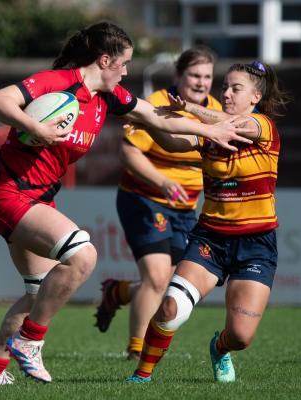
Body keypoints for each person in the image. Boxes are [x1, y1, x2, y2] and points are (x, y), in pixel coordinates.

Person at [0, 21, 252, 385]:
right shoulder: (58, 81)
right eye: (125, 63)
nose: (127, 71)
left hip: (38, 197)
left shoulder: (109, 97)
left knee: (38, 293)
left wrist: (209, 130)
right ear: (105, 61)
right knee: (83, 255)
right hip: (7, 191)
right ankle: (30, 341)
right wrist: (36, 128)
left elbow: (154, 116)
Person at [126, 60, 291, 383]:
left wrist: (187, 108)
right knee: (171, 309)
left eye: (235, 88)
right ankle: (141, 377)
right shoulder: (210, 134)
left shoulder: (264, 127)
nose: (225, 93)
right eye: (225, 87)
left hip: (256, 244)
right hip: (210, 240)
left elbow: (232, 123)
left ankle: (218, 347)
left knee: (241, 337)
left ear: (255, 97)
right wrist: (141, 116)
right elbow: (174, 140)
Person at [94, 46, 222, 361]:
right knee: (156, 276)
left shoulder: (215, 109)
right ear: (179, 75)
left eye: (207, 76)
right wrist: (162, 181)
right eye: (194, 75)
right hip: (144, 199)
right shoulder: (157, 105)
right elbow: (129, 153)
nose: (201, 82)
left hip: (186, 208)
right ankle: (136, 351)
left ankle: (119, 292)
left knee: (176, 283)